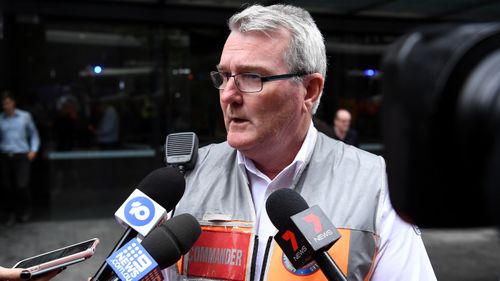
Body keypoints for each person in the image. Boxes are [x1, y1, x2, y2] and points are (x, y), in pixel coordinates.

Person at [169, 4, 436, 281]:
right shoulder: (183, 179)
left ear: (309, 90)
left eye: (252, 77)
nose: (228, 95)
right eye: (224, 77)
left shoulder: (375, 186)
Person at [0, 91, 40, 225]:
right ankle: (10, 214)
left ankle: (25, 211)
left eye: (7, 103)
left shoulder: (24, 117)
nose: (5, 106)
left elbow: (34, 134)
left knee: (21, 185)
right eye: (3, 104)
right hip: (6, 156)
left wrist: (33, 150)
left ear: (13, 102)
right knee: (7, 187)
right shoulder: (1, 119)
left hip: (22, 155)